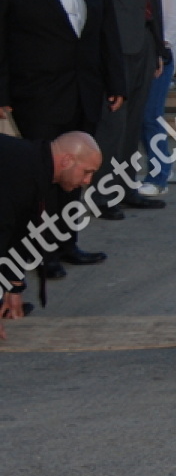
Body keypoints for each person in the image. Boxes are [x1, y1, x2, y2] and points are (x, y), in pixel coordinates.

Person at [0, 0, 125, 276]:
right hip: (36, 93)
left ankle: (67, 242)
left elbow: (106, 30)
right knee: (43, 173)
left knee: (77, 173)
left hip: (84, 89)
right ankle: (41, 254)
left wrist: (115, 80)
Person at [83, 0, 169, 211]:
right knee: (114, 124)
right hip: (116, 45)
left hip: (144, 42)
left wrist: (159, 45)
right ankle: (102, 194)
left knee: (133, 123)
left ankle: (124, 186)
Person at [0, 131, 102, 339]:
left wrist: (13, 284)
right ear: (67, 160)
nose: (87, 181)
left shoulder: (37, 166)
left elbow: (20, 231)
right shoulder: (22, 175)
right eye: (86, 172)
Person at [138, 0, 176, 195]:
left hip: (159, 58)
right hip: (135, 57)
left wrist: (162, 52)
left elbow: (172, 23)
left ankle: (159, 174)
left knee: (150, 117)